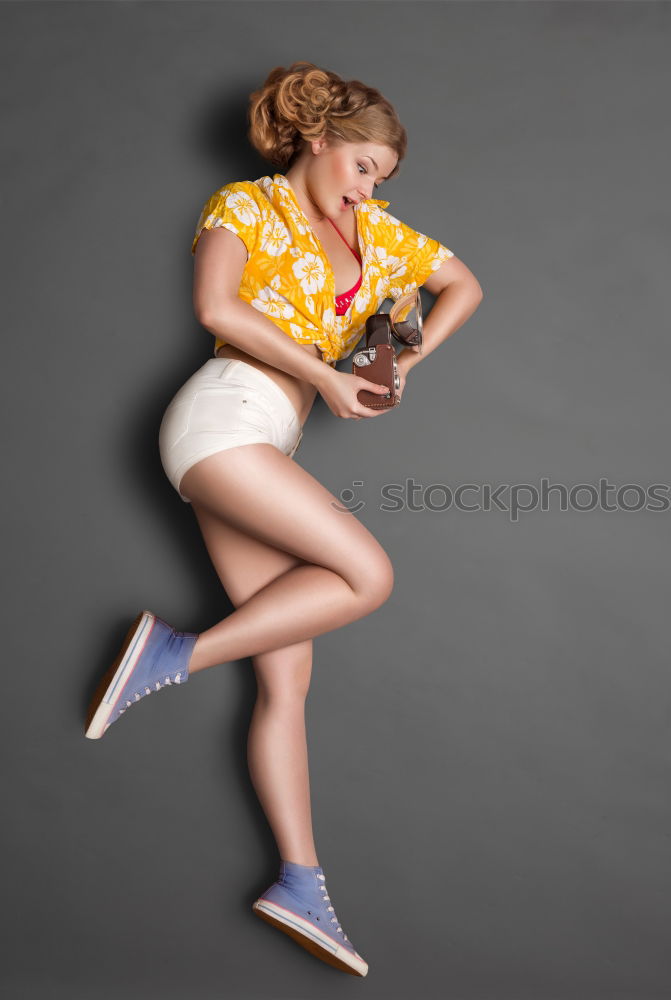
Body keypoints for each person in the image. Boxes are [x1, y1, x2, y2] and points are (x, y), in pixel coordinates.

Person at [84, 61, 484, 977]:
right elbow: (215, 306)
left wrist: (402, 363)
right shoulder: (246, 205)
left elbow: (462, 286)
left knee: (288, 680)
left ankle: (298, 881)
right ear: (319, 139)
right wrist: (326, 375)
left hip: (273, 441)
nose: (369, 184)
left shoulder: (377, 235)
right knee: (366, 578)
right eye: (362, 164)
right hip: (224, 418)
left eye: (382, 174)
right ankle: (170, 654)